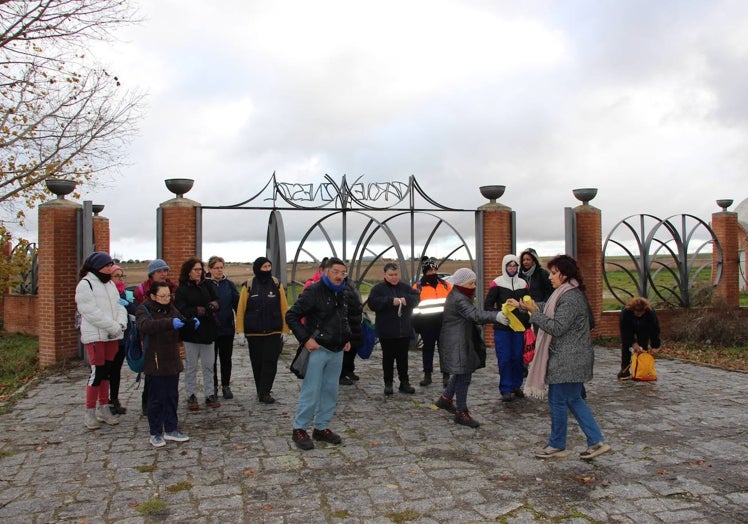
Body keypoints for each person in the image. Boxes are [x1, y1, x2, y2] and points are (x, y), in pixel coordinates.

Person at [508, 254, 611, 460]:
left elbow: (557, 327)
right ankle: (594, 441)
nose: (550, 277)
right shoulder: (564, 294)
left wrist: (534, 314)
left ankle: (560, 445)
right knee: (571, 399)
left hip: (568, 359)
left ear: (564, 275)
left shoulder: (570, 297)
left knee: (559, 400)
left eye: (554, 273)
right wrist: (524, 306)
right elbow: (549, 308)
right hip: (569, 358)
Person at [286, 257, 352, 451]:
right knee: (311, 391)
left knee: (330, 391)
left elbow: (343, 317)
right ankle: (299, 428)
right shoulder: (313, 292)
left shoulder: (342, 292)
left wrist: (346, 337)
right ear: (326, 272)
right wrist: (305, 339)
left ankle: (321, 427)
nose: (340, 276)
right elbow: (291, 316)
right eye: (336, 272)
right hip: (317, 349)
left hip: (337, 349)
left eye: (343, 272)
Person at [435, 268, 504, 428]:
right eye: (471, 283)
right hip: (458, 342)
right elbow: (475, 315)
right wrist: (497, 316)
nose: (473, 286)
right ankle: (461, 412)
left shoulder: (459, 295)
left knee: (461, 372)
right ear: (462, 283)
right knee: (464, 375)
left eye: (474, 283)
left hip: (461, 339)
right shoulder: (460, 299)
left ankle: (445, 399)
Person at [136, 281, 194, 448]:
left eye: (168, 295)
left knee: (171, 396)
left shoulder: (171, 307)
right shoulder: (144, 309)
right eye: (162, 296)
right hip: (155, 360)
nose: (166, 299)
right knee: (156, 398)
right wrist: (169, 323)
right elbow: (145, 326)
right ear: (153, 296)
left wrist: (190, 323)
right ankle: (155, 432)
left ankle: (171, 428)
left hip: (172, 359)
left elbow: (180, 320)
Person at [75, 251, 127, 430]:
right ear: (97, 267)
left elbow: (120, 306)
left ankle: (104, 407)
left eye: (111, 265)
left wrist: (121, 323)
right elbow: (90, 312)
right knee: (97, 373)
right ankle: (89, 411)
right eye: (107, 265)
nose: (109, 268)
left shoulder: (110, 284)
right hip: (96, 335)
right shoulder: (86, 284)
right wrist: (112, 326)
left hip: (112, 336)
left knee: (107, 372)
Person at [236, 256, 289, 404]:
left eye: (269, 267)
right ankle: (260, 389)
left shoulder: (276, 284)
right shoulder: (249, 285)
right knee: (257, 362)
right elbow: (241, 309)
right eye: (264, 267)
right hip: (254, 332)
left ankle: (265, 391)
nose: (267, 270)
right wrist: (240, 331)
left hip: (273, 331)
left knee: (270, 362)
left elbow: (284, 308)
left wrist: (285, 329)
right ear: (257, 268)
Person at [367, 262, 421, 395]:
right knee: (388, 358)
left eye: (396, 274)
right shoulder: (378, 289)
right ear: (385, 275)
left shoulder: (405, 287)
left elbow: (417, 298)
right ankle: (388, 383)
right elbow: (372, 303)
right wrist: (390, 301)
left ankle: (404, 382)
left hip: (404, 330)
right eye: (391, 275)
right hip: (387, 331)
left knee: (403, 359)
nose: (393, 277)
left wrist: (405, 300)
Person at [133, 258, 179, 415]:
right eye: (160, 271)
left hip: (168, 338)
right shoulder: (142, 290)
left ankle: (166, 406)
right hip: (151, 338)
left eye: (165, 271)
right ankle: (149, 404)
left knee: (168, 375)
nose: (163, 274)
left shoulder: (171, 288)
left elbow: (174, 311)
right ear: (151, 274)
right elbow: (142, 318)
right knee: (152, 373)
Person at [175, 257, 221, 411]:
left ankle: (210, 394)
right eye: (195, 269)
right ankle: (191, 395)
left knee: (209, 365)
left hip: (208, 331)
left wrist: (212, 306)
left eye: (200, 269)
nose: (198, 272)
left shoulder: (207, 284)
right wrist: (198, 310)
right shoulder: (182, 289)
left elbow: (217, 300)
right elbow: (181, 309)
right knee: (191, 366)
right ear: (188, 271)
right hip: (192, 332)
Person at [485, 254, 530, 401]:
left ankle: (517, 385)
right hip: (502, 327)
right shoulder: (496, 283)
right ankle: (506, 388)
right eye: (509, 266)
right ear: (505, 266)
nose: (512, 268)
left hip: (519, 327)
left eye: (515, 265)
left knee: (517, 357)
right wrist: (498, 315)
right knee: (505, 358)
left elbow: (528, 304)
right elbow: (488, 305)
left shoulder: (523, 284)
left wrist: (527, 320)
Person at [411, 258, 452, 388]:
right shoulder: (417, 287)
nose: (433, 272)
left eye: (435, 270)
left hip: (444, 324)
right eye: (430, 270)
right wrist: (417, 324)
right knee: (427, 350)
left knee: (444, 350)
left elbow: (452, 304)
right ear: (425, 271)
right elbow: (414, 308)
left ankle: (446, 375)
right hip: (426, 325)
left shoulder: (445, 285)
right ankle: (427, 375)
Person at [206, 256, 239, 399]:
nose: (219, 270)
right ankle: (212, 387)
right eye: (216, 268)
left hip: (227, 328)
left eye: (221, 267)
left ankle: (226, 385)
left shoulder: (229, 285)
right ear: (210, 269)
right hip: (211, 329)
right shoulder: (205, 285)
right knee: (210, 360)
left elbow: (237, 304)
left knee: (226, 359)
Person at [618, 296, 662, 380]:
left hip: (644, 328)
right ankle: (624, 370)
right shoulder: (626, 313)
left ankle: (640, 370)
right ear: (632, 309)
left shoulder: (650, 313)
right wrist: (633, 343)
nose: (639, 315)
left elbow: (654, 330)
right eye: (636, 312)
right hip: (629, 327)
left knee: (642, 348)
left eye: (641, 312)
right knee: (626, 347)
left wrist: (655, 345)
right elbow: (625, 331)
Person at [108, 265, 131, 415]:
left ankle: (114, 399)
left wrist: (130, 305)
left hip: (123, 338)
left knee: (116, 371)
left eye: (122, 276)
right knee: (106, 371)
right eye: (117, 276)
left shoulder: (124, 294)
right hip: (109, 337)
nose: (120, 279)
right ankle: (104, 401)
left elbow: (132, 311)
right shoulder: (107, 294)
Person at [340, 276, 364, 385]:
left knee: (353, 348)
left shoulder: (350, 284)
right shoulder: (339, 286)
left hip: (355, 322)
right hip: (346, 321)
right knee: (345, 350)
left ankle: (349, 370)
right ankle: (341, 374)